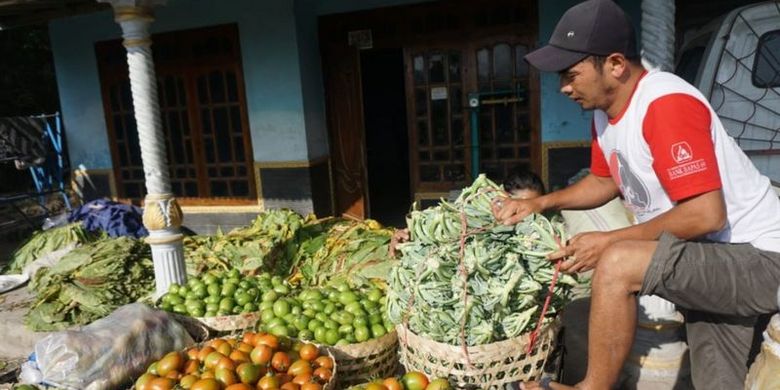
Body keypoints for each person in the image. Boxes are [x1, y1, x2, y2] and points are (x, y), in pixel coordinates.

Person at [491, 0, 780, 389]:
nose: (564, 86)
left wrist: (609, 241)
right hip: (708, 255)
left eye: (572, 74)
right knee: (717, 379)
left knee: (617, 262)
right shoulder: (604, 112)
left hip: (757, 257)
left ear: (614, 64)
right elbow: (604, 181)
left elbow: (706, 214)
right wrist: (539, 203)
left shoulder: (664, 103)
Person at [389, 170, 545, 257]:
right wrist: (405, 241)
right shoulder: (470, 223)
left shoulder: (540, 238)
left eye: (531, 208)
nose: (525, 215)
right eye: (518, 207)